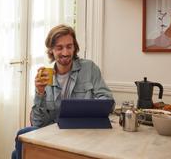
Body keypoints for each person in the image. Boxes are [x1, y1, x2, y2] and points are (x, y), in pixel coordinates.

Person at [11, 24, 113, 159]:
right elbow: (38, 123)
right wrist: (40, 93)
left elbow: (107, 101)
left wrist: (89, 109)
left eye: (69, 46)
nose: (65, 52)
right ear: (51, 50)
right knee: (22, 135)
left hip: (83, 133)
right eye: (59, 48)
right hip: (55, 134)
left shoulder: (89, 68)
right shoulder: (46, 77)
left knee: (16, 152)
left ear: (74, 47)